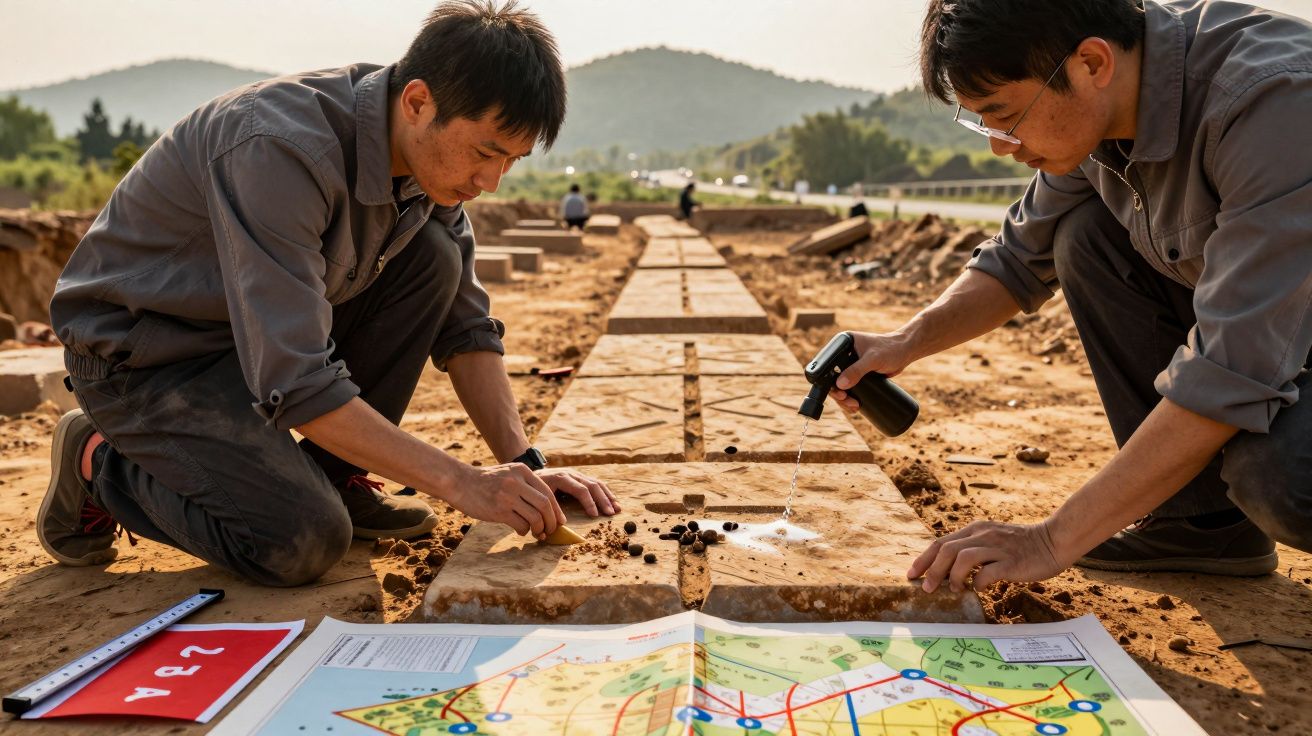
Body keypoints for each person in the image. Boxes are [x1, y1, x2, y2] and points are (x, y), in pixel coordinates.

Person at [38, 0, 619, 587]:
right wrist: (461, 483)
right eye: (486, 152)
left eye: (511, 161)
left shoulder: (428, 168)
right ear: (418, 103)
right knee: (302, 541)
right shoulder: (279, 147)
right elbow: (295, 381)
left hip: (255, 343)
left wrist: (522, 463)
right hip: (148, 357)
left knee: (434, 260)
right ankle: (96, 462)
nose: (491, 183)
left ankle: (337, 475)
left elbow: (465, 327)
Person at [831, 0, 1312, 594]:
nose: (999, 146)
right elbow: (1014, 260)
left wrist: (1050, 539)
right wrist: (902, 343)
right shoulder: (1100, 117)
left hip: (1282, 341)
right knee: (1085, 235)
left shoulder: (1273, 103)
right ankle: (1202, 525)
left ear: (1091, 62)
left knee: (1285, 475)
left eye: (1004, 116)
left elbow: (1230, 368)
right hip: (1282, 335)